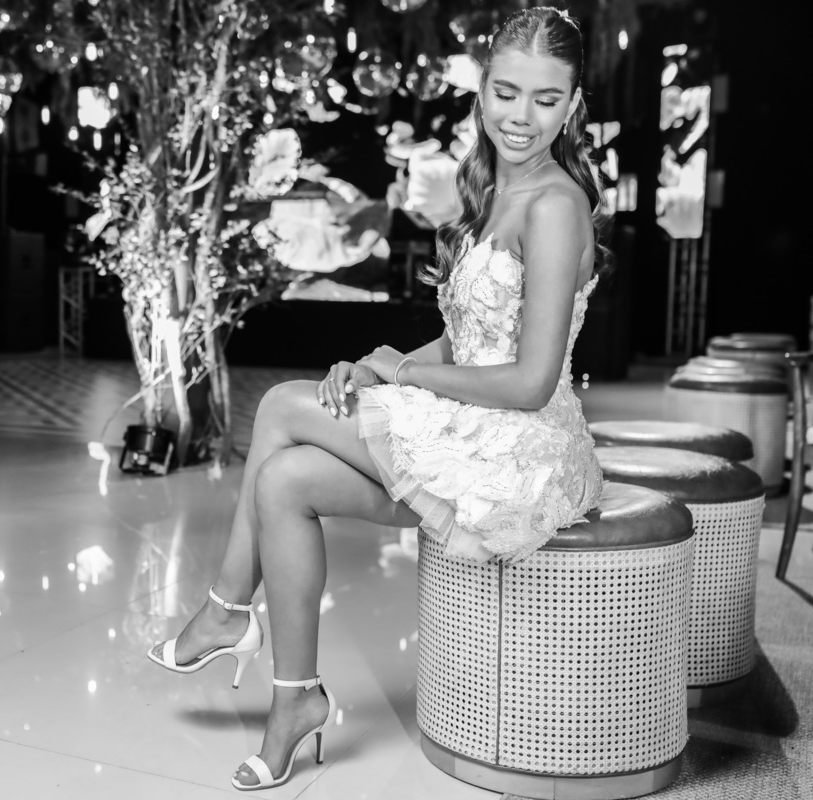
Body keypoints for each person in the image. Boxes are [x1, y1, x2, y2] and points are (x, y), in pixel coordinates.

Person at [147, 6, 607, 791]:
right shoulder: (500, 187)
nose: (520, 116)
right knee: (283, 481)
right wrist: (374, 367)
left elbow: (531, 381)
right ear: (482, 90)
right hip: (474, 420)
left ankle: (227, 609)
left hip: (520, 451)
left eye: (545, 99)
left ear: (572, 105)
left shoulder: (555, 205)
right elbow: (470, 340)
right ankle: (296, 700)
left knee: (283, 407)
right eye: (505, 92)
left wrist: (402, 375)